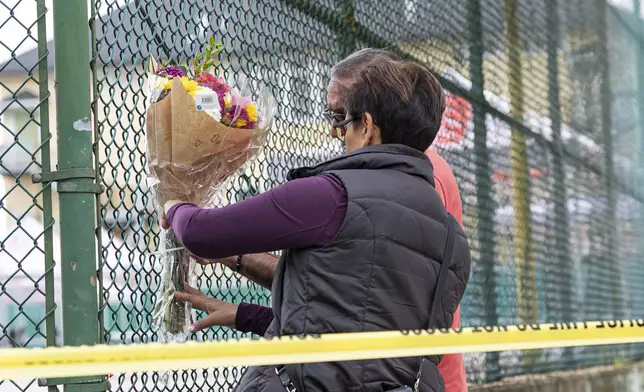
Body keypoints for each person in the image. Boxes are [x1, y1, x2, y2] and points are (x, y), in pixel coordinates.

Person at [163, 48, 471, 391]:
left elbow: (200, 232)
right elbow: (358, 334)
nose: (335, 133)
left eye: (340, 119)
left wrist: (175, 203)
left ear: (366, 126)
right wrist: (244, 314)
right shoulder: (451, 236)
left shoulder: (331, 195)